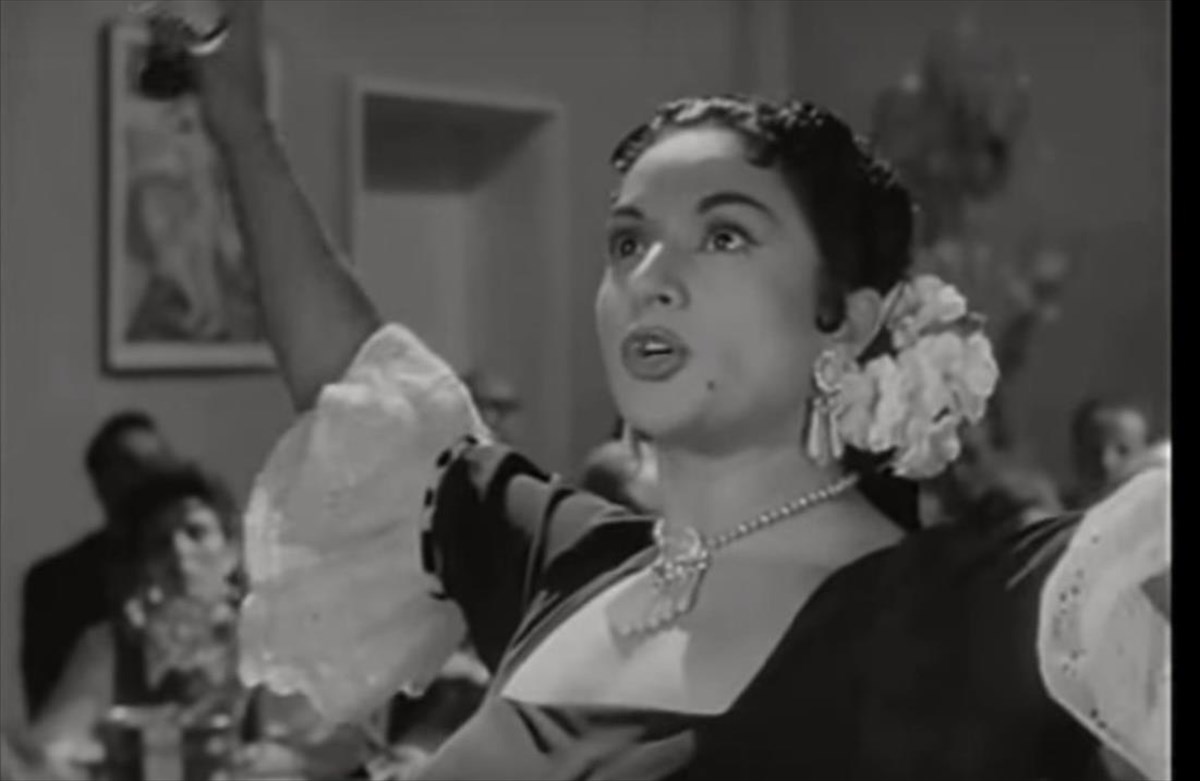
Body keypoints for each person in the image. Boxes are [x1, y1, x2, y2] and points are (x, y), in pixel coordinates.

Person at [159, 2, 1168, 778]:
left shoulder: (979, 613)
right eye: (628, 241)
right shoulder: (567, 561)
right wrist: (239, 116)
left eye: (723, 234)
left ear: (848, 319)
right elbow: (356, 387)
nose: (652, 276)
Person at [9, 464, 367, 781]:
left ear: (231, 550)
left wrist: (268, 761)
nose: (179, 553)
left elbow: (339, 749)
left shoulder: (273, 638)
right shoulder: (110, 647)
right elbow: (50, 755)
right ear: (142, 567)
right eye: (160, 543)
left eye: (196, 532)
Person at [20, 411, 178, 719]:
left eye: (160, 461)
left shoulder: (202, 570)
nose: (152, 475)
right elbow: (48, 709)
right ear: (101, 482)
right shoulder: (54, 583)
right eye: (133, 465)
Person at [1066, 397, 1155, 510]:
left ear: (1148, 454)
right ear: (1076, 453)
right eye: (1094, 451)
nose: (1106, 462)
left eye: (1123, 450)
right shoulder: (1054, 514)